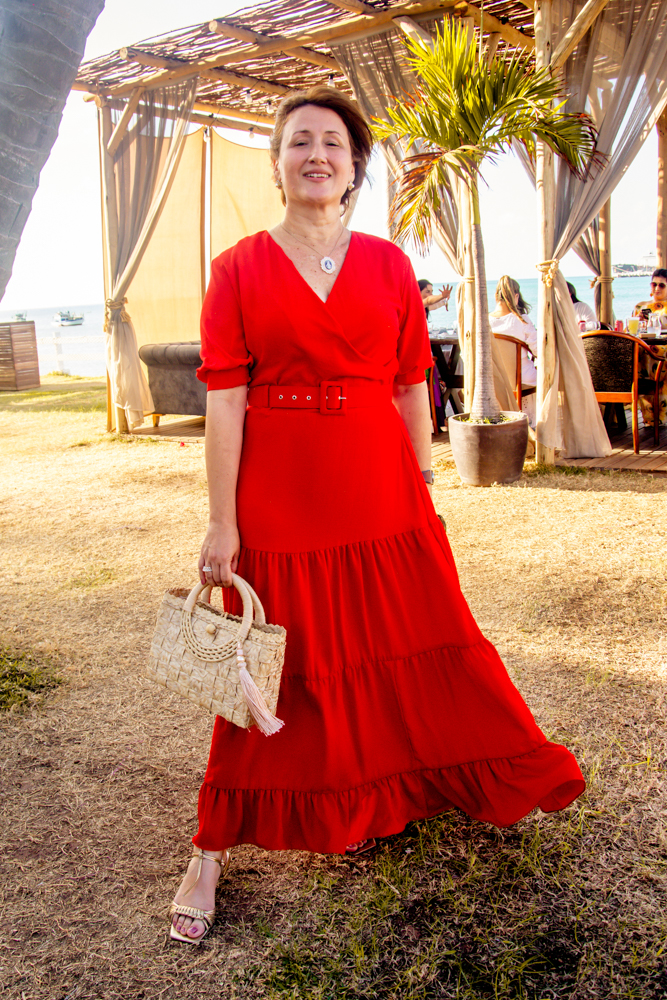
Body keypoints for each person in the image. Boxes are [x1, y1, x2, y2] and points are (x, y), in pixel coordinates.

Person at [169, 86, 585, 944]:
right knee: (274, 665)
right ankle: (209, 848)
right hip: (280, 488)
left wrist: (421, 485)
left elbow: (407, 386)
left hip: (379, 479)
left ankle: (380, 792)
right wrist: (221, 521)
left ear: (355, 167)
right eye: (298, 142)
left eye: (332, 142)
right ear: (278, 164)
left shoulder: (391, 266)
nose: (316, 154)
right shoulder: (237, 268)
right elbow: (224, 402)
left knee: (409, 636)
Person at [489, 276, 538, 425]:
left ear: (495, 296)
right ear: (516, 296)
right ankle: (533, 423)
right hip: (520, 378)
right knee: (546, 375)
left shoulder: (484, 321)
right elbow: (538, 350)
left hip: (493, 379)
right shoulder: (522, 320)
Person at [634, 269, 667, 426]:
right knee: (634, 355)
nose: (657, 288)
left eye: (662, 285)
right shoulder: (640, 306)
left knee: (658, 354)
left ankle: (660, 416)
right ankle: (648, 416)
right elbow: (631, 330)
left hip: (662, 347)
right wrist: (639, 321)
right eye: (654, 284)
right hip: (643, 345)